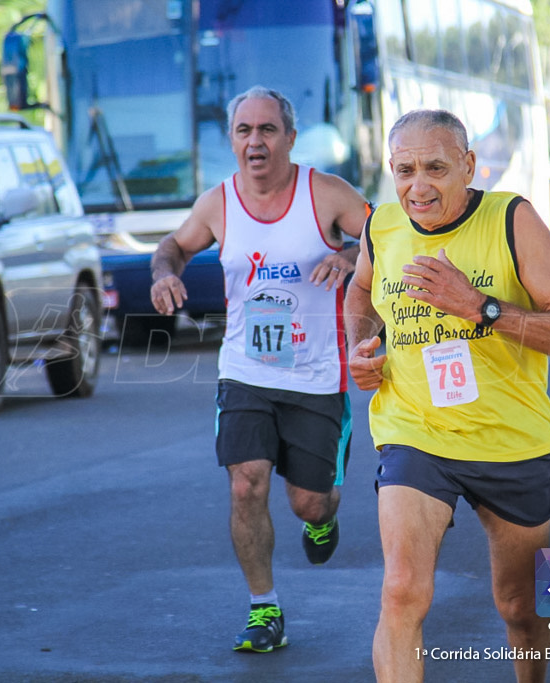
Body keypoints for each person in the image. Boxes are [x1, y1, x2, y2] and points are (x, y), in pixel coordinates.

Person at [344, 109, 550, 683]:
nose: (418, 185)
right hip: (414, 433)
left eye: (435, 167)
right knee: (402, 590)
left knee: (519, 607)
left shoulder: (511, 218)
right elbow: (360, 294)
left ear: (468, 166)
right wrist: (365, 345)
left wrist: (477, 306)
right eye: (405, 170)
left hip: (510, 441)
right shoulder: (380, 227)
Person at [149, 86, 370, 653]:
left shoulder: (323, 193)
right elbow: (172, 246)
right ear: (232, 139)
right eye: (244, 131)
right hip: (245, 368)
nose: (255, 142)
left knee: (307, 501)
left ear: (289, 138)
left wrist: (347, 258)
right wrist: (163, 274)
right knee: (246, 481)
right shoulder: (217, 203)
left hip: (318, 375)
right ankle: (263, 609)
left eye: (267, 130)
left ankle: (323, 518)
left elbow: (385, 234)